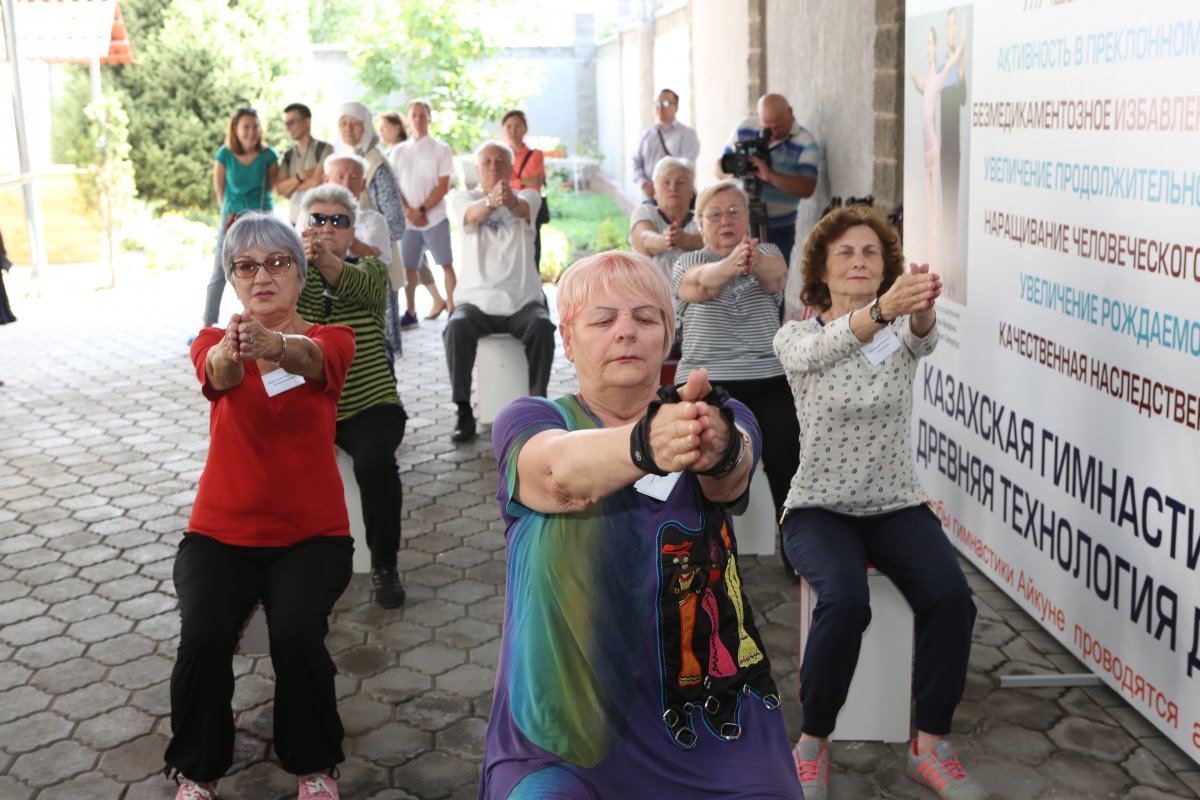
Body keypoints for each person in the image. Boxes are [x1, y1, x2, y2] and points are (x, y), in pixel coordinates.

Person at [479, 249, 802, 799]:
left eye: (646, 318)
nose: (625, 332)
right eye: (603, 320)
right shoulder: (531, 419)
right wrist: (645, 443)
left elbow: (732, 471)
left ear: (669, 335)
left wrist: (716, 443)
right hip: (566, 733)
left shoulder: (711, 414)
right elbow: (558, 473)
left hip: (708, 718)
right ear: (568, 337)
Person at [774, 205, 983, 800]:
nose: (861, 259)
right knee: (844, 601)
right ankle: (812, 743)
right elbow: (822, 352)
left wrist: (918, 310)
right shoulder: (798, 336)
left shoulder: (898, 337)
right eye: (847, 252)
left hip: (895, 504)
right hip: (818, 508)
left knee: (951, 598)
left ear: (887, 267)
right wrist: (882, 310)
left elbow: (922, 337)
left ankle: (930, 745)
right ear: (823, 272)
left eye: (871, 252)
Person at [168, 213, 354, 800]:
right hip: (219, 535)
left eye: (277, 263)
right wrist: (235, 351)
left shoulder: (333, 338)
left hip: (312, 536)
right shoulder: (209, 341)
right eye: (246, 266)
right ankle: (198, 770)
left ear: (300, 275)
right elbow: (218, 374)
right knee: (200, 638)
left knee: (296, 633)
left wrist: (275, 346)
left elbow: (309, 361)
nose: (262, 276)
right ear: (232, 279)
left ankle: (314, 765)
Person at [672, 179, 798, 575]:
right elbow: (700, 287)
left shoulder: (769, 252)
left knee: (788, 455)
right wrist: (730, 265)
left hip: (768, 377)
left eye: (734, 212)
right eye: (715, 214)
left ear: (748, 220)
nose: (725, 220)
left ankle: (796, 551)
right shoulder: (686, 264)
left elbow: (776, 275)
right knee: (699, 453)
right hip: (707, 382)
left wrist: (751, 259)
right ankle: (701, 554)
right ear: (701, 224)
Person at [297, 184, 408, 609]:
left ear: (351, 231)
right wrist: (295, 264)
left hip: (370, 404)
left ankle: (384, 564)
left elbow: (361, 290)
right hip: (308, 405)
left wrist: (325, 260)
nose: (327, 228)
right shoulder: (291, 273)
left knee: (375, 463)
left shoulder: (372, 269)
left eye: (338, 221)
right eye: (317, 219)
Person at [443, 142, 555, 444]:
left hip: (522, 302)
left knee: (543, 327)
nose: (493, 166)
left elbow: (522, 208)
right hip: (476, 303)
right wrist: (492, 202)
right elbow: (471, 215)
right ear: (478, 170)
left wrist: (507, 201)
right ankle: (464, 410)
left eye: (500, 161)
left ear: (510, 168)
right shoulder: (463, 197)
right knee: (455, 328)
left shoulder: (530, 196)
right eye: (487, 162)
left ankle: (538, 407)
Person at [338, 101, 414, 357]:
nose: (348, 129)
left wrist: (364, 244)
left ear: (366, 127)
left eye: (355, 124)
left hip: (377, 269)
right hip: (352, 267)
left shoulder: (376, 164)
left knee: (381, 351)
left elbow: (395, 221)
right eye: (343, 123)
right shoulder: (350, 159)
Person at [321, 153, 404, 362]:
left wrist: (348, 241)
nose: (346, 183)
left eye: (354, 177)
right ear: (326, 180)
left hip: (362, 312)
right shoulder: (310, 216)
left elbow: (379, 264)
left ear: (363, 184)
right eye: (339, 176)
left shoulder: (373, 220)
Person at [718, 93, 819, 264]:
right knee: (736, 280)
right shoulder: (745, 127)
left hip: (778, 228)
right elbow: (719, 168)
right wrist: (739, 172)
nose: (772, 133)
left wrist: (770, 176)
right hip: (739, 223)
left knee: (773, 283)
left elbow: (807, 188)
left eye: (778, 127)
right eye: (767, 126)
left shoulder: (805, 142)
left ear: (790, 112)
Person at [202, 107, 278, 330]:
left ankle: (260, 322)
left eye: (255, 126)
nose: (252, 132)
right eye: (246, 127)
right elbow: (220, 191)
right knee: (219, 273)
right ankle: (207, 327)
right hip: (231, 220)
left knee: (261, 272)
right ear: (235, 129)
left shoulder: (268, 155)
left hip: (262, 221)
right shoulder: (224, 155)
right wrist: (230, 216)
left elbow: (271, 187)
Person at [391, 100, 456, 323]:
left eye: (422, 115)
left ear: (429, 118)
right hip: (408, 221)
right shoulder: (398, 151)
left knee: (445, 264)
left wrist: (421, 209)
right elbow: (394, 186)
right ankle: (410, 311)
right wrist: (408, 211)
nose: (418, 119)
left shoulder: (441, 149)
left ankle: (453, 308)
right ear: (408, 120)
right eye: (414, 115)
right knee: (410, 267)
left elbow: (443, 184)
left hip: (435, 218)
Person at [910, 26, 965, 274]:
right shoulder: (927, 79)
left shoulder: (939, 76)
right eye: (927, 45)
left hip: (933, 146)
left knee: (935, 210)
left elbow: (953, 60)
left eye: (931, 43)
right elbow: (915, 80)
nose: (929, 49)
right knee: (928, 209)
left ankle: (936, 265)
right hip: (925, 151)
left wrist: (962, 42)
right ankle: (930, 264)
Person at [627, 156, 703, 283]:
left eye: (680, 182)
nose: (673, 188)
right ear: (655, 191)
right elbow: (643, 239)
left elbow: (713, 244)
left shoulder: (702, 219)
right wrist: (664, 240)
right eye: (666, 182)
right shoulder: (645, 212)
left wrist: (686, 239)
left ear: (691, 191)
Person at [631, 88, 700, 203]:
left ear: (676, 107)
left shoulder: (687, 134)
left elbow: (686, 165)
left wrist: (665, 186)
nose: (660, 107)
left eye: (666, 103)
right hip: (652, 197)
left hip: (677, 197)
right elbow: (635, 162)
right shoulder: (646, 136)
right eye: (657, 103)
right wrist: (643, 183)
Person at [275, 103, 335, 225]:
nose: (288, 128)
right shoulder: (288, 155)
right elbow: (280, 189)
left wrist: (291, 187)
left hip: (321, 220)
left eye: (292, 122)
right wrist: (301, 176)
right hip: (295, 220)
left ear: (307, 122)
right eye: (285, 124)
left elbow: (316, 182)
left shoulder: (325, 149)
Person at [501, 110, 547, 269]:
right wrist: (522, 181)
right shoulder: (500, 156)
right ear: (503, 129)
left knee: (532, 251)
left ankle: (534, 287)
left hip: (529, 208)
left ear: (525, 129)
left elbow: (535, 184)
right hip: (505, 210)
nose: (513, 131)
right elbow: (498, 183)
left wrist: (512, 182)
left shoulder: (536, 155)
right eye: (509, 126)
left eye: (518, 126)